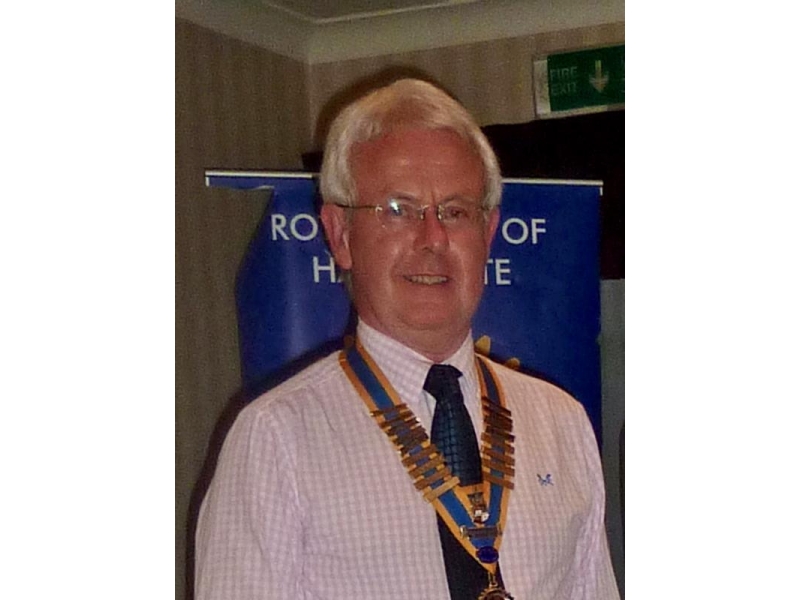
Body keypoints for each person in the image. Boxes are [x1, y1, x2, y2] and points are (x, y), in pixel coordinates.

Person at [194, 78, 620, 600]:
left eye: (455, 212)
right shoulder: (275, 440)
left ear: (488, 234)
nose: (433, 238)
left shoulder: (562, 422)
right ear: (340, 235)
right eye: (398, 210)